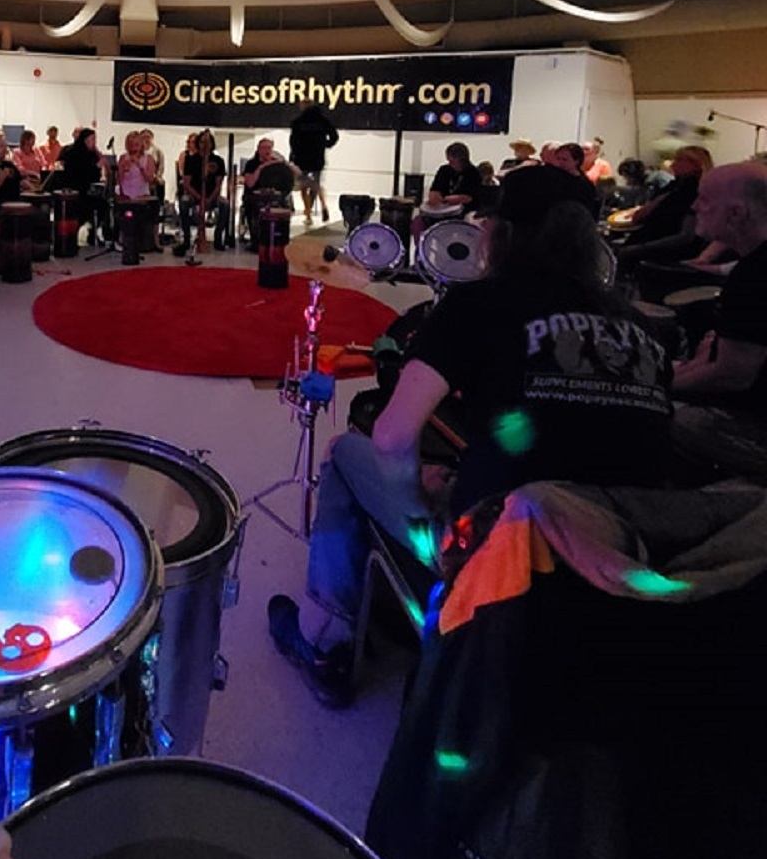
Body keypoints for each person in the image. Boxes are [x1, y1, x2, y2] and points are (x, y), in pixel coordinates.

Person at [268, 201, 673, 705]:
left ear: (503, 238)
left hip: (506, 541)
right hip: (620, 545)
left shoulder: (479, 302)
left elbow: (392, 438)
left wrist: (419, 503)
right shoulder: (639, 325)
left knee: (349, 452)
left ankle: (325, 643)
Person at [669, 161, 767, 477]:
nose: (695, 206)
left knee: (665, 420)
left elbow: (732, 374)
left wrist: (655, 389)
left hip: (757, 430)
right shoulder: (752, 266)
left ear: (736, 213)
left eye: (705, 199)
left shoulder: (754, 276)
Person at [617, 145, 712, 276]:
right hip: (652, 240)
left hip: (669, 250)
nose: (673, 164)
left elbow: (686, 236)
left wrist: (639, 248)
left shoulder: (696, 191)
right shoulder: (675, 187)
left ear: (695, 165)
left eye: (679, 160)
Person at [175, 130, 230, 254]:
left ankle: (217, 239)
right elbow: (187, 184)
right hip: (194, 195)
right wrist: (200, 198)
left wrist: (209, 199)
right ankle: (186, 239)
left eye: (208, 142)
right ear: (198, 143)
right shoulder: (190, 160)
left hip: (212, 195)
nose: (205, 145)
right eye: (202, 142)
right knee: (183, 202)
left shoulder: (218, 161)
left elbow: (218, 184)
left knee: (225, 204)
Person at [241, 138, 299, 244]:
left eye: (269, 148)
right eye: (264, 148)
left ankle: (281, 239)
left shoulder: (276, 162)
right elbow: (250, 183)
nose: (267, 151)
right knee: (255, 206)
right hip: (255, 196)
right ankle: (257, 240)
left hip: (276, 196)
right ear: (258, 149)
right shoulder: (251, 163)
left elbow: (297, 174)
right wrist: (262, 167)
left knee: (285, 204)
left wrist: (285, 163)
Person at [289, 104, 339, 224]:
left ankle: (308, 215)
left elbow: (293, 141)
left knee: (303, 186)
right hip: (317, 157)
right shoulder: (322, 120)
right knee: (316, 184)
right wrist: (325, 144)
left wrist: (293, 155)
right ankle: (323, 205)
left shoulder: (298, 121)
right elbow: (334, 136)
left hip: (302, 157)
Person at [57, 128, 106, 242]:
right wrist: (96, 167)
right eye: (92, 139)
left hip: (87, 189)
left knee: (103, 205)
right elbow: (79, 172)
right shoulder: (72, 152)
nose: (94, 142)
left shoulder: (92, 154)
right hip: (76, 189)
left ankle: (93, 232)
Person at [116, 131, 157, 199]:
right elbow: (118, 180)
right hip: (125, 195)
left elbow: (150, 180)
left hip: (142, 195)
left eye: (136, 144)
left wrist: (140, 165)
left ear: (141, 145)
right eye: (131, 145)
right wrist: (122, 168)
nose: (133, 148)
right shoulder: (123, 157)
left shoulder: (149, 158)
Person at [140, 129, 165, 197]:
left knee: (160, 183)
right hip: (140, 176)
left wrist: (157, 176)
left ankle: (159, 205)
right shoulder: (137, 151)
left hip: (154, 177)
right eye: (143, 137)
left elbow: (161, 167)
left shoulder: (158, 151)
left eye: (148, 137)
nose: (146, 139)